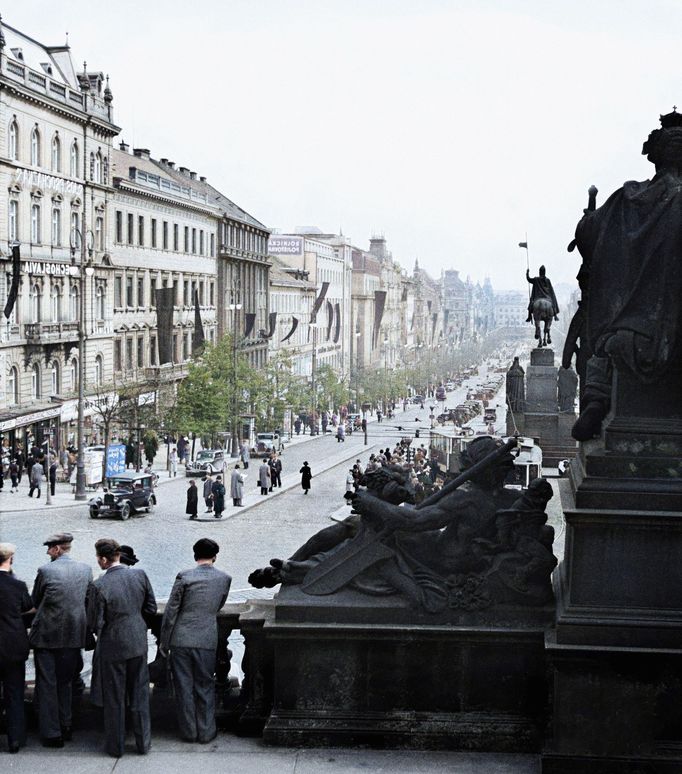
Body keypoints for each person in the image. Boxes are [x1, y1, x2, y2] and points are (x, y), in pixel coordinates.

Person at [87, 538, 157, 758]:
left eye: (98, 558)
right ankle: (143, 743)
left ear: (104, 559)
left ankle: (115, 746)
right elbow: (151, 608)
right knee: (140, 693)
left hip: (112, 644)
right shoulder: (140, 575)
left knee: (114, 697)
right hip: (137, 640)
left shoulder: (99, 585)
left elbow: (94, 623)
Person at [159, 538, 231, 744]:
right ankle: (207, 731)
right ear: (215, 556)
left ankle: (189, 731)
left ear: (194, 555)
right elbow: (219, 605)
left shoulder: (184, 577)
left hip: (181, 638)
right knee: (205, 685)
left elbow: (171, 612)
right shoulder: (225, 578)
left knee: (183, 686)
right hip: (207, 638)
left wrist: (165, 643)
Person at [30, 532, 93, 748]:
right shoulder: (85, 569)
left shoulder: (45, 570)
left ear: (57, 549)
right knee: (66, 682)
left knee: (47, 684)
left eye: (49, 548)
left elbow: (35, 600)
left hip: (47, 636)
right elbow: (87, 600)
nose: (48, 551)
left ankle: (51, 732)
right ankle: (66, 725)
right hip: (74, 635)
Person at [0, 542, 33, 754]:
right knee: (14, 693)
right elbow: (28, 607)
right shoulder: (18, 586)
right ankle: (15, 739)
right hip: (12, 645)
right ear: (10, 560)